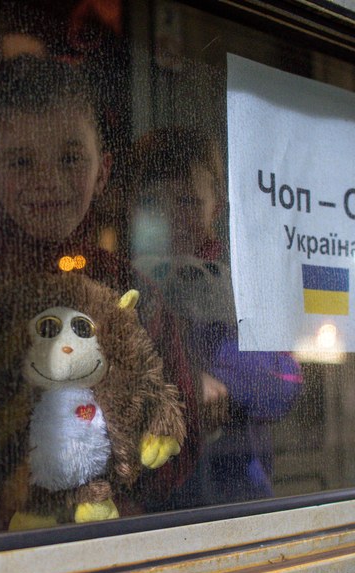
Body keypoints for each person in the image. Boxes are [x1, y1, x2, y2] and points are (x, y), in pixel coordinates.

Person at [0, 56, 198, 533]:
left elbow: (177, 439)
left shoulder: (131, 292)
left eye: (70, 157)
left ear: (102, 170)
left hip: (106, 535)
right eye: (21, 161)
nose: (46, 179)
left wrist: (116, 486)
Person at [123, 126, 302, 506]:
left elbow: (284, 385)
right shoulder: (121, 285)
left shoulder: (237, 286)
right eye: (156, 203)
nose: (172, 217)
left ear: (216, 206)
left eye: (188, 201)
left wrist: (216, 374)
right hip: (148, 499)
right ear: (132, 207)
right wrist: (186, 379)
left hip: (236, 491)